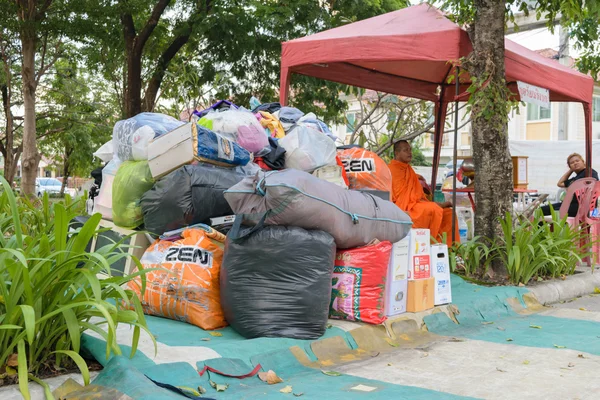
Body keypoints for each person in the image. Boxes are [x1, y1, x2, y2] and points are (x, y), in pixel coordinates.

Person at [389, 140, 459, 247]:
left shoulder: (408, 169)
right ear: (397, 153)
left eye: (410, 149)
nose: (410, 152)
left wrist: (416, 177)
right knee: (434, 209)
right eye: (405, 150)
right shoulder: (391, 170)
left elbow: (412, 188)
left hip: (416, 204)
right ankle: (431, 246)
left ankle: (451, 251)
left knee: (449, 214)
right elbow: (396, 195)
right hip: (404, 208)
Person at [541, 153, 598, 217]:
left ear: (583, 162)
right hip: (571, 204)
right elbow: (560, 183)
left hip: (583, 206)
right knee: (541, 210)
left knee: (557, 211)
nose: (575, 163)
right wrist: (571, 170)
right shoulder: (575, 178)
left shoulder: (590, 172)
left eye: (577, 161)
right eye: (572, 163)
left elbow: (593, 183)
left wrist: (572, 188)